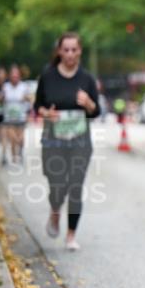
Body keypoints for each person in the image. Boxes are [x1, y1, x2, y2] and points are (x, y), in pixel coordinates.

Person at [33, 32, 101, 251]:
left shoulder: (87, 79)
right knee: (57, 185)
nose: (70, 54)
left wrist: (89, 103)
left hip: (80, 141)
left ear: (80, 51)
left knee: (75, 186)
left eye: (74, 50)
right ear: (59, 52)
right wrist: (46, 113)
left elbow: (95, 112)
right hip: (53, 140)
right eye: (66, 50)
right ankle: (55, 211)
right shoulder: (48, 77)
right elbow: (38, 107)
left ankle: (71, 235)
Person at [1, 65, 30, 164]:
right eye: (13, 76)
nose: (15, 78)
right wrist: (2, 98)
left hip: (21, 116)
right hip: (9, 117)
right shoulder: (5, 87)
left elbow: (30, 100)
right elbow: (1, 101)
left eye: (16, 76)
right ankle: (14, 156)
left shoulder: (24, 86)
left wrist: (26, 98)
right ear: (10, 76)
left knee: (20, 138)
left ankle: (20, 151)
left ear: (19, 76)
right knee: (13, 138)